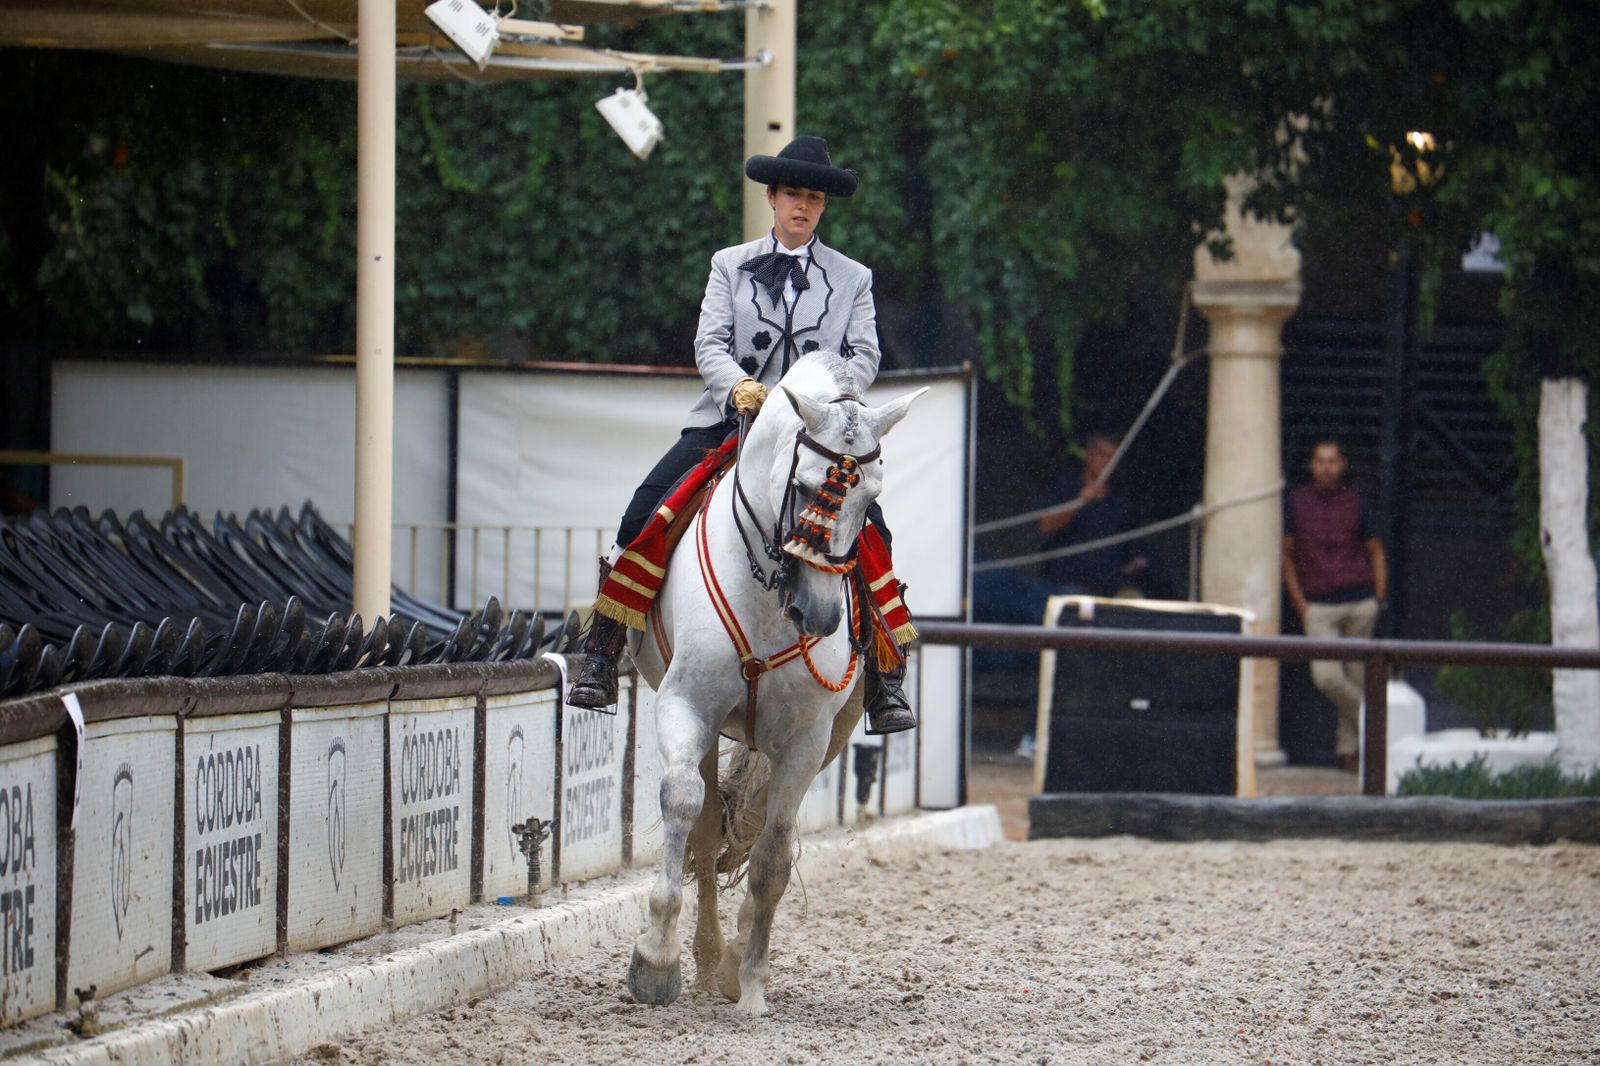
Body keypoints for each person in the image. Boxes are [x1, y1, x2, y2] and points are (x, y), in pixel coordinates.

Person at [565, 136, 917, 736]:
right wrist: (739, 389)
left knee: (870, 527)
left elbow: (864, 356)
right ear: (773, 198)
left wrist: (821, 402)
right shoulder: (728, 263)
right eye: (793, 196)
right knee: (643, 510)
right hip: (728, 418)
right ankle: (600, 649)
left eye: (813, 198)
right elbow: (709, 345)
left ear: (822, 206)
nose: (802, 207)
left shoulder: (854, 278)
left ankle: (886, 676)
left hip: (814, 433)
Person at [1282, 438, 1389, 773]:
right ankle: (1379, 724)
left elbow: (1375, 551)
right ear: (1312, 465)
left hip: (1358, 601)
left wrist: (1378, 598)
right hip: (1319, 606)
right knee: (1327, 678)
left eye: (1332, 461)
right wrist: (1300, 603)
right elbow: (1285, 553)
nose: (1326, 467)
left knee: (1357, 676)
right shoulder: (1296, 502)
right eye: (1320, 461)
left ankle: (1347, 752)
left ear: (1342, 465)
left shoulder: (1356, 503)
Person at [1036, 433, 1154, 597]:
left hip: (1110, 588)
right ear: (1087, 455)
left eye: (1112, 457)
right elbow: (1046, 526)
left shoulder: (1121, 497)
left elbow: (1133, 540)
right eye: (1101, 455)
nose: (1106, 462)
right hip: (1068, 585)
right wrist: (1079, 502)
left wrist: (1137, 560)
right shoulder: (1065, 486)